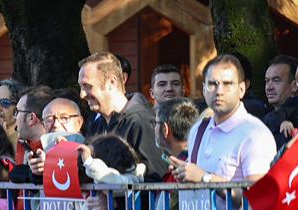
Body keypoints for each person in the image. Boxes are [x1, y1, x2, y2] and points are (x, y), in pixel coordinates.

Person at [170, 54, 276, 184]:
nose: (219, 91)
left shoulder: (255, 134)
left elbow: (259, 193)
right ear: (204, 89)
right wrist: (185, 174)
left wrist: (204, 177)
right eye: (212, 84)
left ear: (241, 89)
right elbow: (196, 179)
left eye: (227, 84)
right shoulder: (197, 130)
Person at [78, 51, 165, 178]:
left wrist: (117, 190)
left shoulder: (142, 123)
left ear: (111, 82)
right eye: (81, 86)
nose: (82, 94)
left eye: (87, 86)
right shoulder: (97, 124)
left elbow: (156, 180)